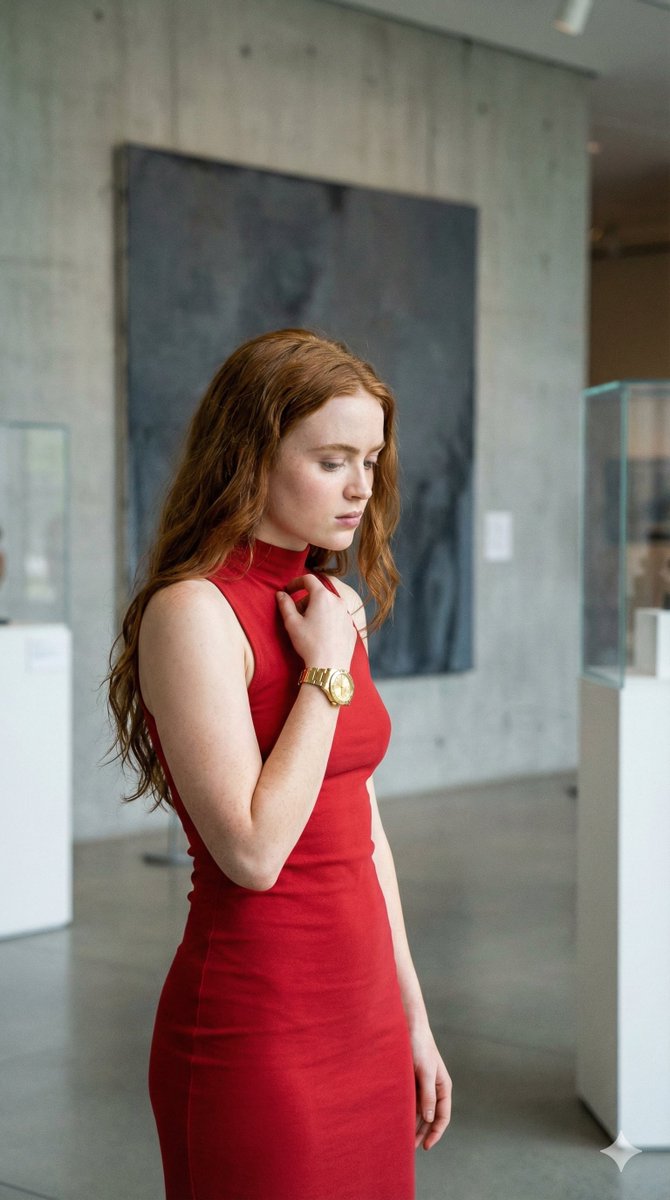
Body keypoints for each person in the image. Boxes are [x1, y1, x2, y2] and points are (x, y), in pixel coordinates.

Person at [105, 328, 452, 1200]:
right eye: (332, 461)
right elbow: (253, 853)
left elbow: (363, 830)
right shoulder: (193, 612)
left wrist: (412, 1014)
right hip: (260, 1032)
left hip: (366, 1013)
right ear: (251, 456)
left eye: (370, 460)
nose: (362, 487)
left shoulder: (329, 601)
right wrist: (325, 672)